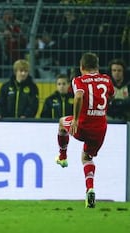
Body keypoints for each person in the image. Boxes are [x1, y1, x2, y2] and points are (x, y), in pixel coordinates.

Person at [55, 52, 115, 208]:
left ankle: (62, 156)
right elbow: (111, 95)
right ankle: (90, 189)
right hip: (100, 128)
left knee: (62, 123)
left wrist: (75, 119)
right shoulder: (107, 79)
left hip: (82, 125)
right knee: (87, 158)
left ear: (81, 67)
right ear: (97, 66)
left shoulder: (78, 80)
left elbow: (79, 96)